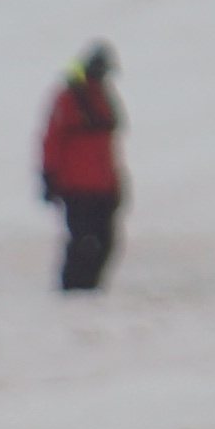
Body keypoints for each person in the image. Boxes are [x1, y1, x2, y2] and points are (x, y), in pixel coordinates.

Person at [37, 48, 127, 293]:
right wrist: (48, 175)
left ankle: (89, 289)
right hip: (75, 187)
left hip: (102, 186)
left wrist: (116, 184)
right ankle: (74, 290)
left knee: (105, 242)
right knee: (83, 241)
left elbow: (107, 148)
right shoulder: (68, 98)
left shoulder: (103, 97)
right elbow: (52, 139)